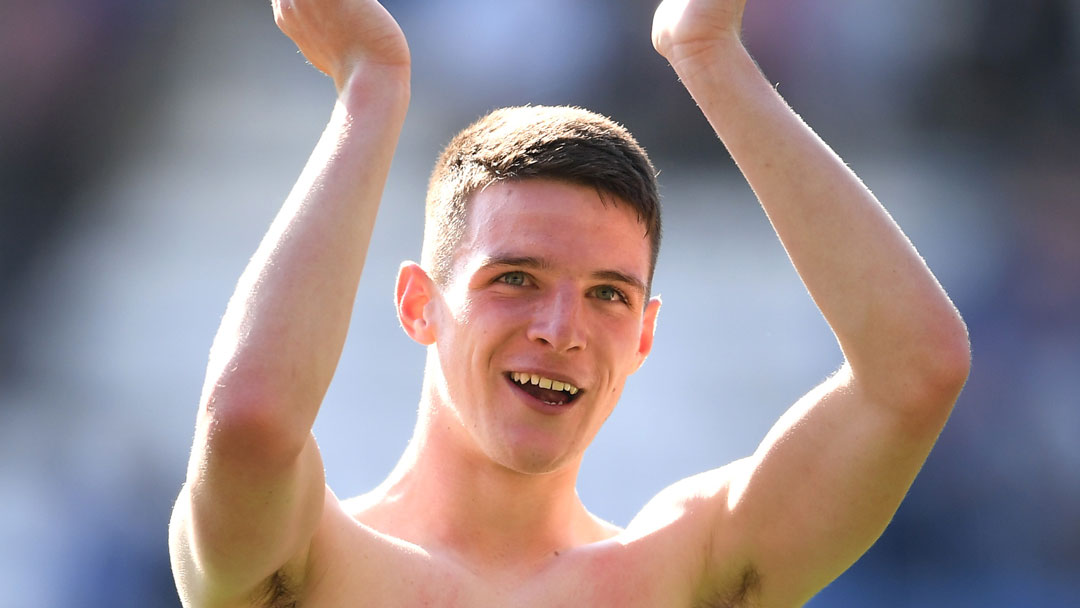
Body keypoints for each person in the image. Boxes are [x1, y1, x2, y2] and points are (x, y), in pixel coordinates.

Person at [168, 0, 971, 606]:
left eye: (608, 296)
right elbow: (251, 421)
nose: (560, 332)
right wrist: (369, 92)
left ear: (646, 335)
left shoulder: (681, 570)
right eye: (514, 279)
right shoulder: (312, 562)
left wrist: (709, 55)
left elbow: (917, 372)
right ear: (419, 305)